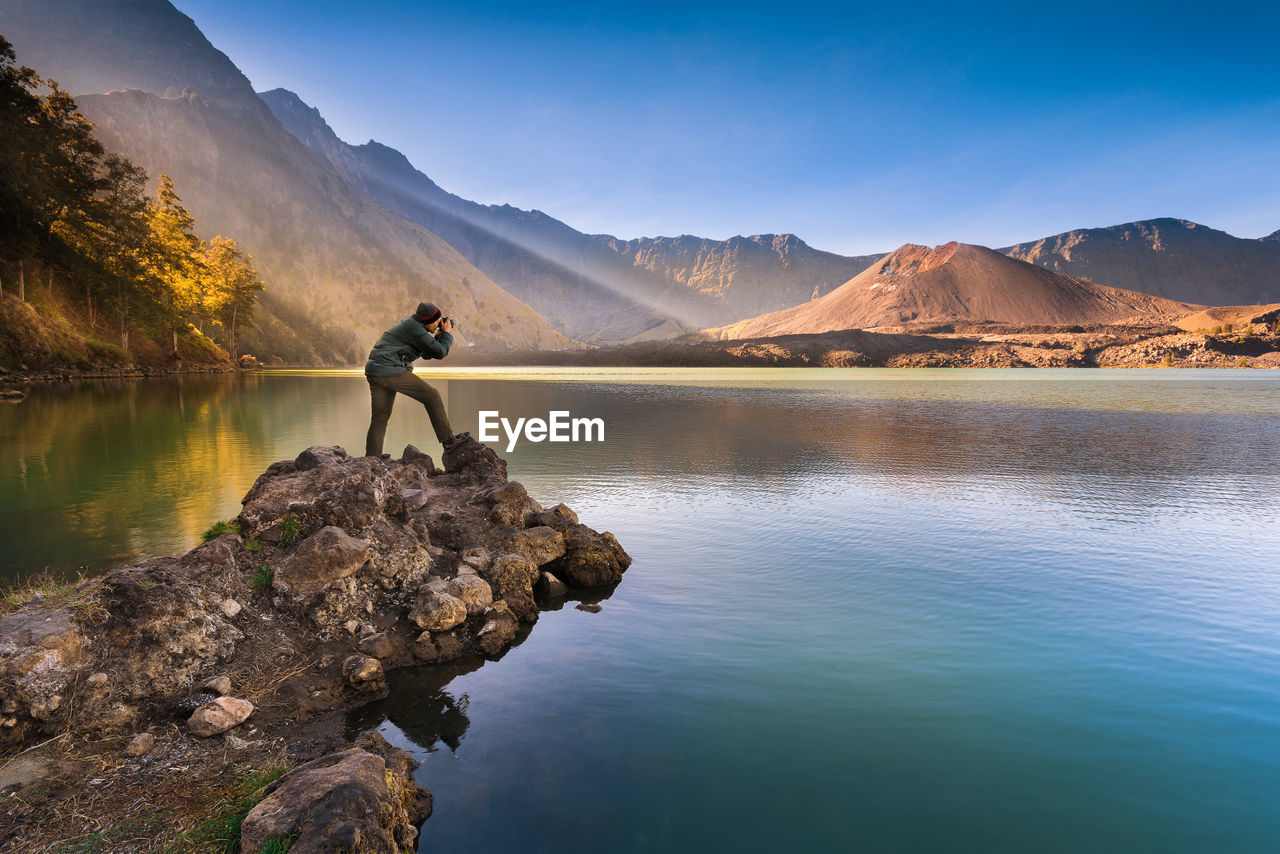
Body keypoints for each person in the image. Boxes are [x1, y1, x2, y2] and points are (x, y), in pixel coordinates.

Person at [364, 302, 470, 457]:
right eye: (438, 320)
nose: (439, 323)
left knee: (379, 418)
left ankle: (372, 459)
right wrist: (447, 334)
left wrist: (438, 337)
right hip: (389, 370)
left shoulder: (413, 326)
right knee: (432, 396)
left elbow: (427, 353)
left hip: (375, 370)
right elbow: (440, 353)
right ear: (430, 321)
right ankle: (448, 442)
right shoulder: (415, 328)